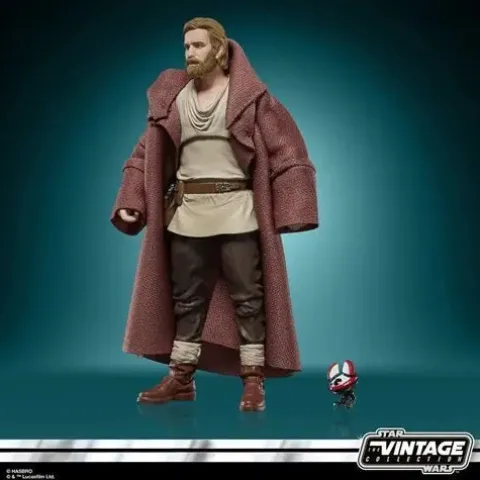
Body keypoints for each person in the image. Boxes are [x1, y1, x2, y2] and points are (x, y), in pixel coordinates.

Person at [110, 17, 319, 412]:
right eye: (187, 46)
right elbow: (144, 155)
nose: (190, 53)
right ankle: (181, 377)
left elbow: (287, 150)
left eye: (199, 45)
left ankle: (253, 379)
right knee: (186, 300)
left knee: (248, 299)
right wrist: (132, 199)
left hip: (238, 212)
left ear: (219, 50)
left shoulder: (251, 98)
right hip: (187, 214)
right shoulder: (172, 98)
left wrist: (296, 207)